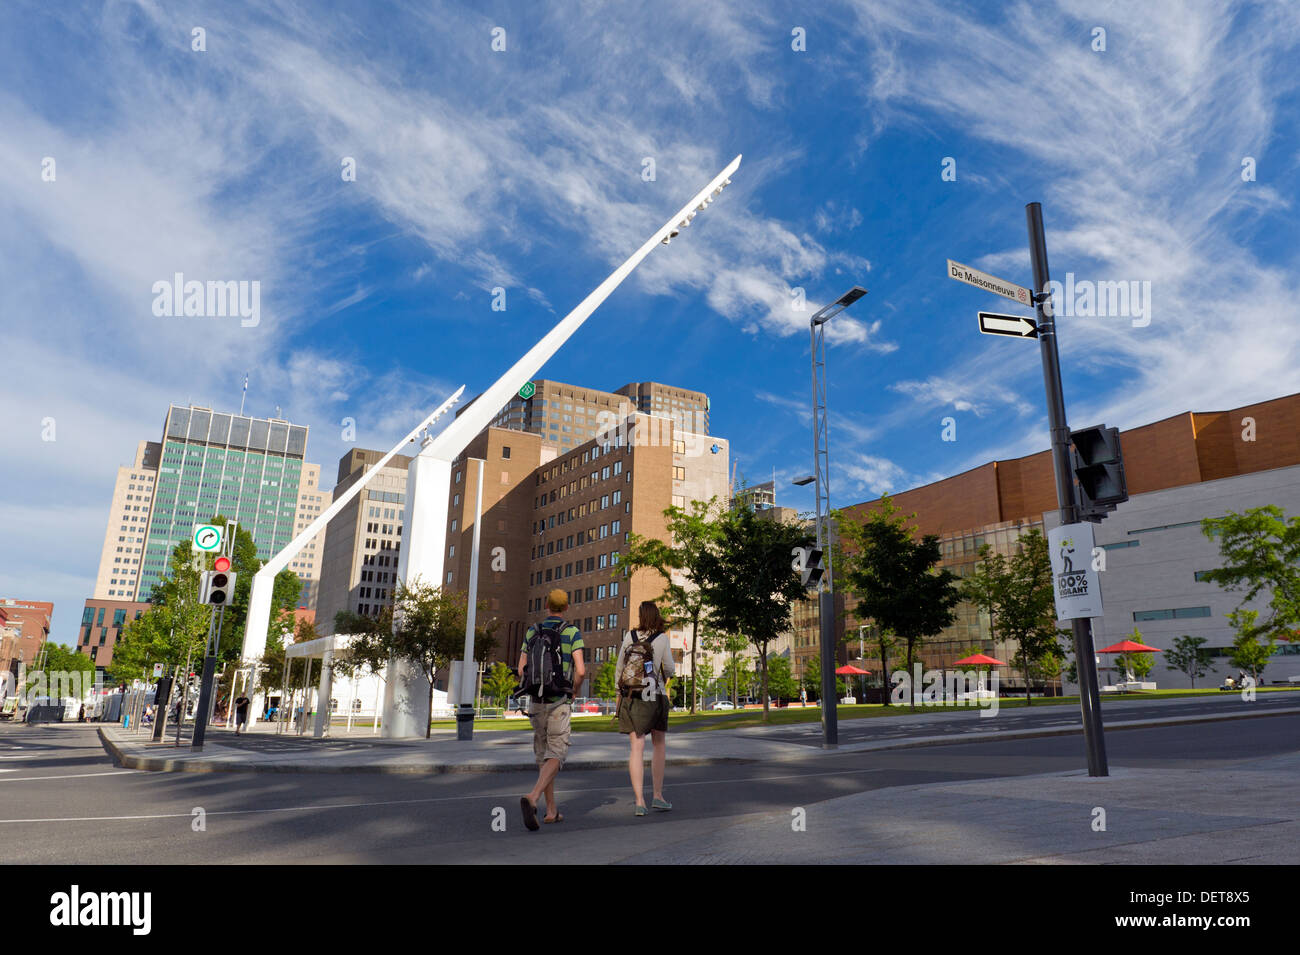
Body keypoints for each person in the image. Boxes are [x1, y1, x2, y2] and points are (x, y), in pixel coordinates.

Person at [517, 589, 585, 831]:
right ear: (566, 607)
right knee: (556, 754)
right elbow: (581, 670)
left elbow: (521, 668)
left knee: (543, 756)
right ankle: (534, 797)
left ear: (547, 606)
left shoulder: (532, 631)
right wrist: (574, 691)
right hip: (558, 701)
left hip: (536, 702)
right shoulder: (571, 632)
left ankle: (552, 811)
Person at [614, 601, 675, 816]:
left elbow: (620, 668)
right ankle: (657, 796)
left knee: (636, 748)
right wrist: (664, 680)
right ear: (657, 615)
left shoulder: (630, 637)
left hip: (631, 697)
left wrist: (617, 695)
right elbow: (669, 668)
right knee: (658, 744)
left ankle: (640, 801)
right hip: (654, 695)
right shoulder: (662, 638)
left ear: (640, 616)